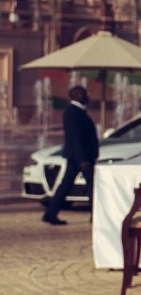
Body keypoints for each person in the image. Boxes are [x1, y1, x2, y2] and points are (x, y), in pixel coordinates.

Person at [43, 85, 98, 226]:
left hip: (77, 157)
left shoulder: (76, 111)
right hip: (81, 158)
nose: (88, 97)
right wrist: (83, 159)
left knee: (66, 185)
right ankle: (96, 216)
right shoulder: (74, 112)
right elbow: (76, 137)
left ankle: (50, 213)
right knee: (92, 186)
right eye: (85, 94)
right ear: (78, 96)